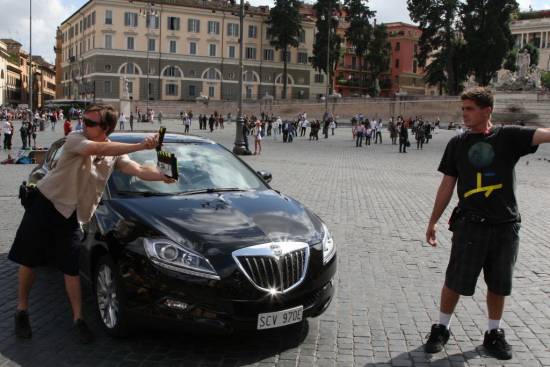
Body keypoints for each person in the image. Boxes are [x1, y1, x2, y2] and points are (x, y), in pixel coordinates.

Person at [8, 104, 176, 344]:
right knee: (30, 261)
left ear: (106, 127)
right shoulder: (76, 138)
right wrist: (141, 145)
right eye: (83, 120)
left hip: (71, 215)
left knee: (71, 268)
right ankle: (22, 310)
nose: (82, 124)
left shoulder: (114, 150)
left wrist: (161, 176)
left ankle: (78, 319)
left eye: (89, 123)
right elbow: (96, 148)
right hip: (45, 205)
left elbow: (137, 169)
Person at [424, 87, 550, 360]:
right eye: (463, 108)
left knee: (499, 284)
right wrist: (432, 221)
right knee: (455, 281)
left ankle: (494, 333)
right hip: (470, 225)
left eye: (470, 109)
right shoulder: (457, 144)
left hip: (505, 226)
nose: (464, 114)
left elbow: (545, 134)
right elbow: (447, 184)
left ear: (487, 111)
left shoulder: (509, 137)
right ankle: (441, 328)